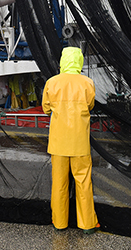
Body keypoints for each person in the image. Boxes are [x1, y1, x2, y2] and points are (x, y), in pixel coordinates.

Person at [42, 46, 99, 234]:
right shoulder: (87, 83)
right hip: (80, 142)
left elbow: (45, 108)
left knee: (59, 184)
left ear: (62, 61)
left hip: (58, 143)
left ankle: (59, 222)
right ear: (79, 61)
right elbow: (90, 105)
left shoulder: (52, 82)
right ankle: (87, 224)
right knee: (83, 182)